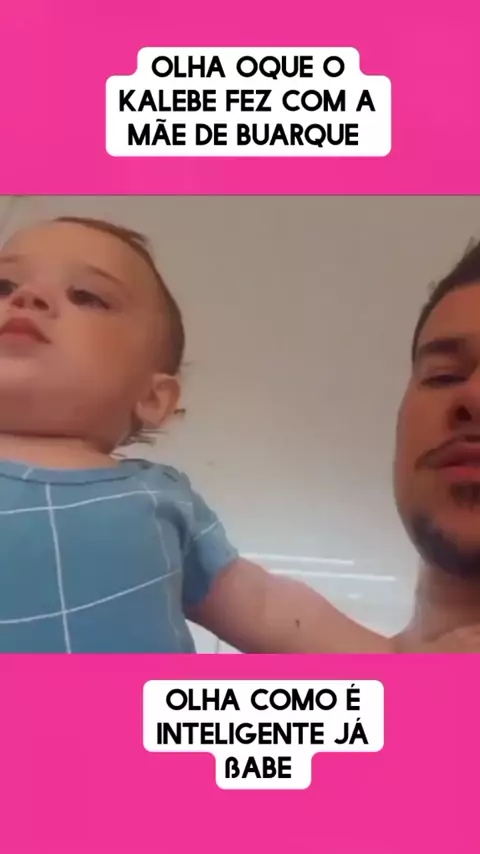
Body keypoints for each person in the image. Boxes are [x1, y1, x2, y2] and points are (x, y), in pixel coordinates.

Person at [0, 216, 393, 653]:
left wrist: (400, 663)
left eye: (87, 296)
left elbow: (266, 607)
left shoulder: (160, 497)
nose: (25, 297)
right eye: (3, 286)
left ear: (153, 397)